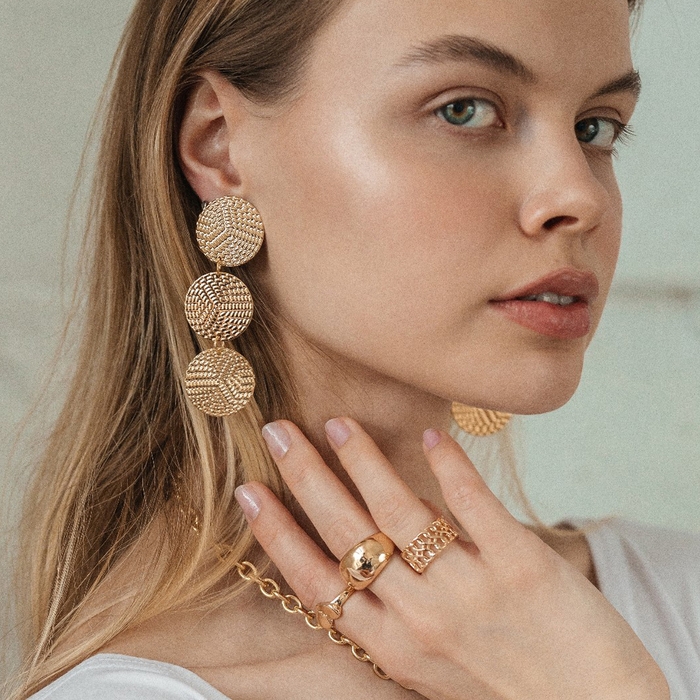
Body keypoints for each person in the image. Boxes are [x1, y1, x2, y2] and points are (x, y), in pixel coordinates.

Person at [9, 0, 699, 698]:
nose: (580, 196)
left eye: (595, 127)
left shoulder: (681, 596)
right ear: (219, 146)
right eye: (463, 110)